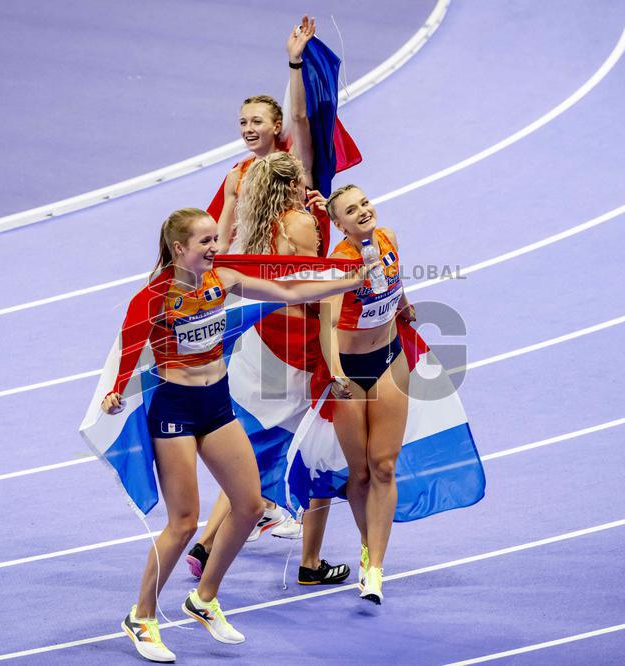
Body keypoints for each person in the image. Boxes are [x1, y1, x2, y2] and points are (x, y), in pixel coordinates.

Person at [107, 207, 368, 662]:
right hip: (176, 412)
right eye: (205, 241)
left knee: (248, 507)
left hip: (217, 405)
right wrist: (114, 392)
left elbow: (287, 290)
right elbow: (127, 350)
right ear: (178, 248)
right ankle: (141, 616)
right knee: (184, 523)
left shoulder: (221, 281)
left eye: (215, 239)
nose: (215, 248)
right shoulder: (152, 299)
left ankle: (203, 600)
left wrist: (344, 283)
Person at [188, 152, 350, 586]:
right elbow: (312, 279)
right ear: (295, 183)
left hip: (260, 341)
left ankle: (205, 545)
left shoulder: (257, 221)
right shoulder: (298, 223)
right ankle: (309, 561)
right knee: (316, 448)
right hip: (295, 346)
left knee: (250, 457)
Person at [320, 184, 417, 605]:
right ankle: (366, 543)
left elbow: (395, 285)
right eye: (350, 210)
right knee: (358, 473)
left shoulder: (388, 238)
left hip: (390, 358)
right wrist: (337, 372)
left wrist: (405, 305)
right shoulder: (338, 265)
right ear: (338, 224)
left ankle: (375, 568)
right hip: (350, 375)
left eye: (364, 203)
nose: (362, 211)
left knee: (384, 466)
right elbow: (327, 324)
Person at [213, 15, 317, 253]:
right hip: (259, 270)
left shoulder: (293, 162)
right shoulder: (237, 175)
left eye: (257, 121)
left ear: (277, 127)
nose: (248, 129)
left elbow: (299, 117)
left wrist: (295, 60)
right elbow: (223, 239)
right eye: (243, 122)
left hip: (297, 263)